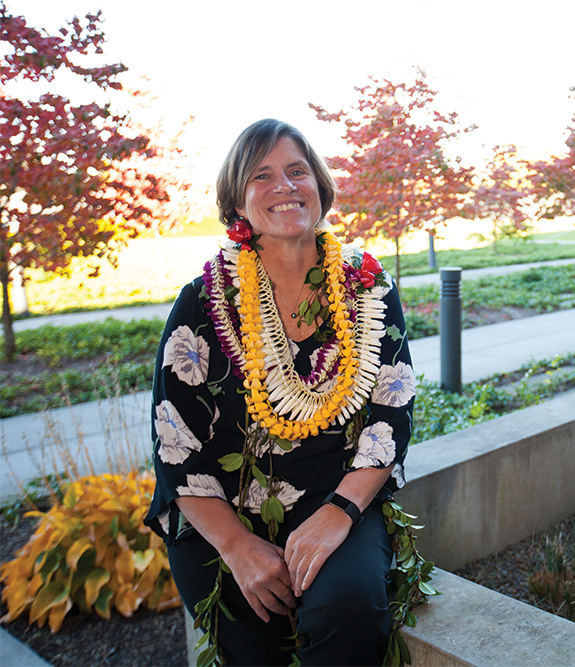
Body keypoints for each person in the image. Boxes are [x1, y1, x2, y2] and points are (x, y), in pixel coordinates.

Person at [143, 119, 415, 666]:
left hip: (335, 499)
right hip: (220, 512)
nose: (285, 186)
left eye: (297, 171)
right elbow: (175, 443)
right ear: (239, 203)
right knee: (250, 639)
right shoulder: (203, 300)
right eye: (262, 176)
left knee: (351, 613)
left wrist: (340, 511)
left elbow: (391, 415)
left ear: (319, 185)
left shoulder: (367, 288)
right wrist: (238, 547)